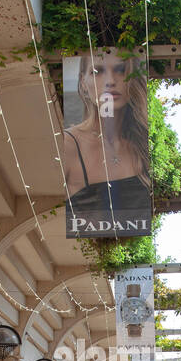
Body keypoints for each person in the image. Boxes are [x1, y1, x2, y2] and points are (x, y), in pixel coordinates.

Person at [61, 51, 151, 237]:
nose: (110, 81)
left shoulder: (142, 144)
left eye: (120, 70)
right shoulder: (68, 144)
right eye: (97, 71)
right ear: (83, 82)